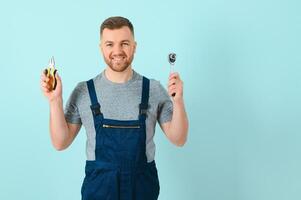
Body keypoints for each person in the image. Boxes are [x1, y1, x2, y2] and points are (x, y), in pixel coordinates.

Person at [40, 16, 189, 200]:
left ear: (134, 46)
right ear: (101, 47)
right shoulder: (84, 91)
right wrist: (55, 101)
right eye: (110, 44)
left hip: (142, 190)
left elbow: (179, 138)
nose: (117, 51)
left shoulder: (153, 89)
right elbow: (60, 142)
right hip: (98, 190)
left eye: (124, 43)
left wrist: (179, 101)